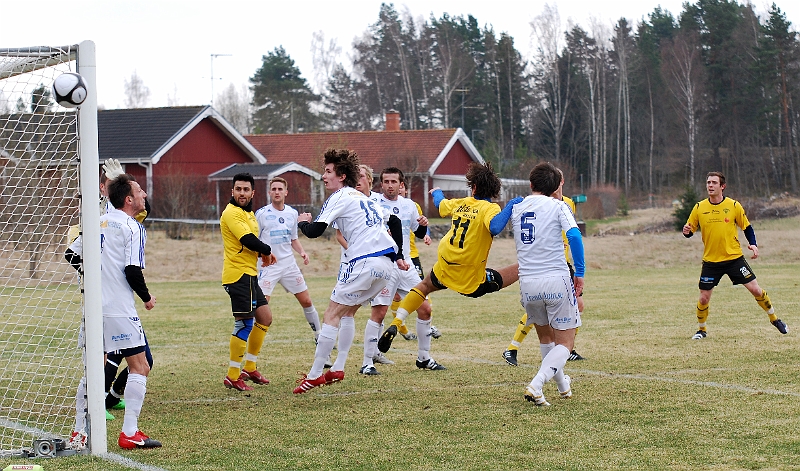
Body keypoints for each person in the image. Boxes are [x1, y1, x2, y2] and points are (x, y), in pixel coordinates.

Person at [378, 161, 522, 366]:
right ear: (494, 190)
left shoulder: (462, 203)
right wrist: (511, 205)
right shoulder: (489, 208)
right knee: (507, 274)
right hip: (468, 273)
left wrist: (436, 192)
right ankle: (530, 266)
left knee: (424, 286)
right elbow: (496, 226)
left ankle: (396, 322)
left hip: (446, 262)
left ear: (473, 188)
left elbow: (441, 205)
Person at [293, 149, 406, 394]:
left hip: (364, 262)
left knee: (331, 314)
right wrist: (398, 257)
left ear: (342, 176)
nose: (323, 176)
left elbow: (313, 231)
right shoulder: (366, 199)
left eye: (328, 171)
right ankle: (339, 367)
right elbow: (394, 223)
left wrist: (302, 220)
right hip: (386, 266)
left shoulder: (340, 196)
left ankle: (314, 375)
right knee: (347, 313)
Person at [513, 162, 585, 406]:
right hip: (555, 279)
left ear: (531, 184)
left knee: (546, 338)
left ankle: (563, 386)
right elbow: (574, 236)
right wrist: (581, 272)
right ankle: (537, 383)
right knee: (566, 342)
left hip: (527, 283)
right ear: (556, 187)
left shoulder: (517, 207)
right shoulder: (559, 205)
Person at [682, 171, 787, 339]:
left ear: (722, 186)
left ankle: (775, 319)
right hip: (711, 262)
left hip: (734, 259)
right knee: (703, 299)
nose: (710, 185)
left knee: (756, 290)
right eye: (708, 182)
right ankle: (702, 330)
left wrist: (753, 244)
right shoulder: (699, 207)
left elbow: (747, 227)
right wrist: (686, 231)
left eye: (714, 183)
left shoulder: (733, 206)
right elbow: (689, 230)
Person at [100, 174, 162, 447]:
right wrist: (147, 297)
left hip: (94, 307)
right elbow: (132, 270)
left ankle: (80, 431)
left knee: (95, 367)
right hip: (119, 307)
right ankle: (129, 433)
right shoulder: (133, 227)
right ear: (128, 199)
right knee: (141, 366)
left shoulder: (98, 220)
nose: (144, 195)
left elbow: (72, 254)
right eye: (139, 191)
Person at [359, 167, 431, 375]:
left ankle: (424, 358)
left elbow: (418, 232)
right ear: (381, 184)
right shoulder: (374, 204)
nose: (390, 185)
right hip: (385, 264)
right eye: (386, 181)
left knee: (425, 307)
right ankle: (367, 362)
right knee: (379, 313)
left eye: (394, 182)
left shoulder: (409, 205)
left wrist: (424, 225)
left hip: (406, 264)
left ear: (401, 185)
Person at [220, 173, 277, 391]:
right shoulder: (231, 213)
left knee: (265, 318)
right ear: (232, 191)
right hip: (237, 275)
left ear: (253, 193)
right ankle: (233, 375)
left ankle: (250, 367)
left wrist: (261, 253)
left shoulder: (249, 214)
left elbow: (251, 243)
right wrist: (267, 250)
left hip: (250, 274)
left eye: (245, 190)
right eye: (238, 189)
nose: (241, 193)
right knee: (244, 324)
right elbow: (247, 239)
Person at [254, 177, 321, 344]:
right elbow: (254, 240)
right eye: (274, 189)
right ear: (269, 192)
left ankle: (319, 336)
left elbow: (293, 239)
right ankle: (253, 344)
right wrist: (260, 255)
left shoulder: (292, 214)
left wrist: (302, 252)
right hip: (268, 266)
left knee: (306, 301)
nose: (277, 192)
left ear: (286, 192)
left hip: (289, 265)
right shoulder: (261, 214)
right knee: (261, 308)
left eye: (280, 189)